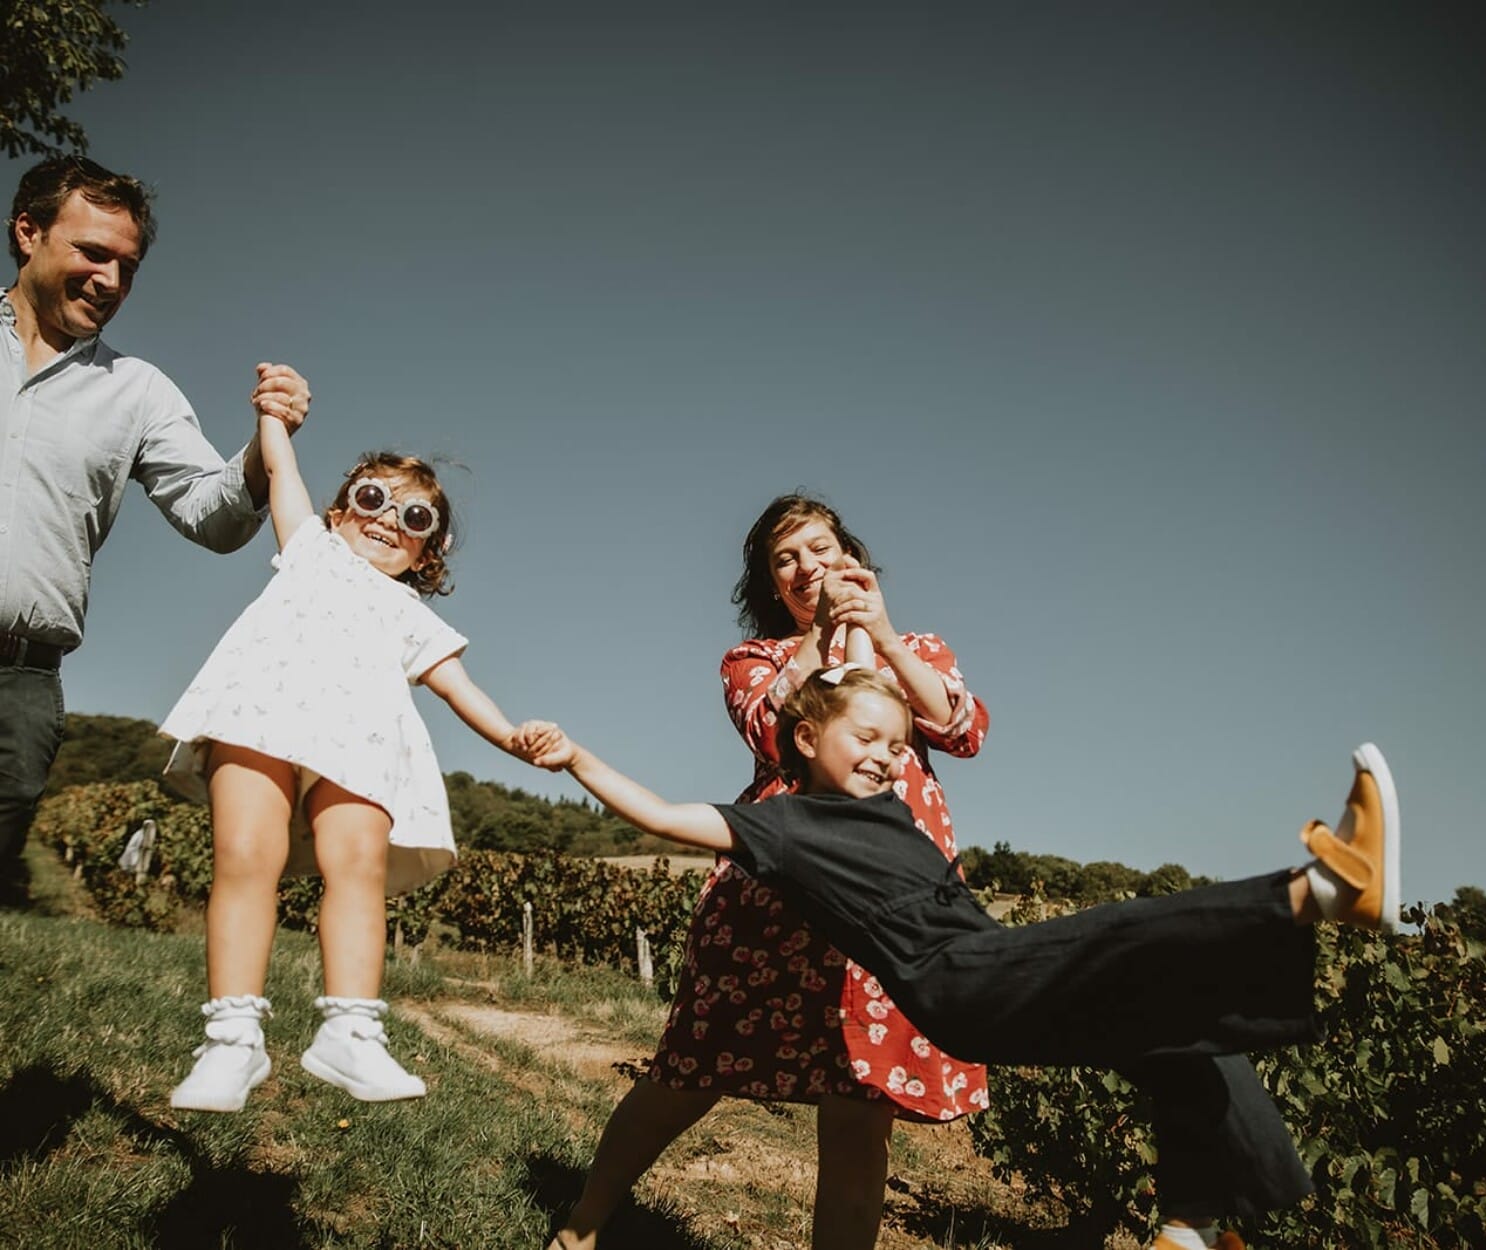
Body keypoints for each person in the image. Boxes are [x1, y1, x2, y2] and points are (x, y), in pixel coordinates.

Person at [521, 667, 1403, 1250]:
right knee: (1127, 931)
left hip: (994, 963)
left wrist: (870, 644)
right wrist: (577, 758)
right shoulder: (781, 825)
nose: (886, 755)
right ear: (806, 738)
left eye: (896, 745)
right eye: (865, 737)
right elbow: (660, 815)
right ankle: (1319, 890)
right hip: (955, 981)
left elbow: (887, 705)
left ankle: (1195, 1223)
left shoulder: (894, 811)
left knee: (1179, 1013)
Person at [548, 493, 990, 1250]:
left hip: (888, 897)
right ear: (772, 584)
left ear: (850, 557)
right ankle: (584, 1224)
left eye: (820, 549)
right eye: (786, 559)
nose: (806, 567)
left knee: (859, 1108)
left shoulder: (917, 649)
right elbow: (769, 727)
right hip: (775, 891)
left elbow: (963, 729)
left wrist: (880, 635)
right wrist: (821, 636)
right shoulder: (756, 660)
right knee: (691, 1068)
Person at [161, 411, 558, 1113]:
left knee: (359, 865)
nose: (387, 520)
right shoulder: (309, 549)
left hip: (363, 737)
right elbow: (279, 468)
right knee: (245, 855)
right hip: (259, 711)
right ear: (340, 510)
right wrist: (273, 415)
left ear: (427, 554)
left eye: (415, 518)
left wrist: (511, 737)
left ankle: (349, 1030)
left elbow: (459, 688)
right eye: (372, 498)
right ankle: (231, 1038)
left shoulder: (413, 615)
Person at [0, 155, 312, 904]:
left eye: (128, 267)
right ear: (28, 233)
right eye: (91, 253)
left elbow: (213, 515)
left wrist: (265, 443)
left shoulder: (139, 392)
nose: (109, 280)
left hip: (21, 685)